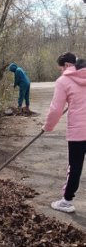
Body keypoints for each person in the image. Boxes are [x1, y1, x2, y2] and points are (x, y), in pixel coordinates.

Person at [42, 52, 86, 213]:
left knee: (75, 167)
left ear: (67, 65)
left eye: (61, 69)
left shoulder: (64, 81)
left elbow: (55, 109)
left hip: (79, 132)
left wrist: (47, 127)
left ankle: (67, 201)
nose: (61, 72)